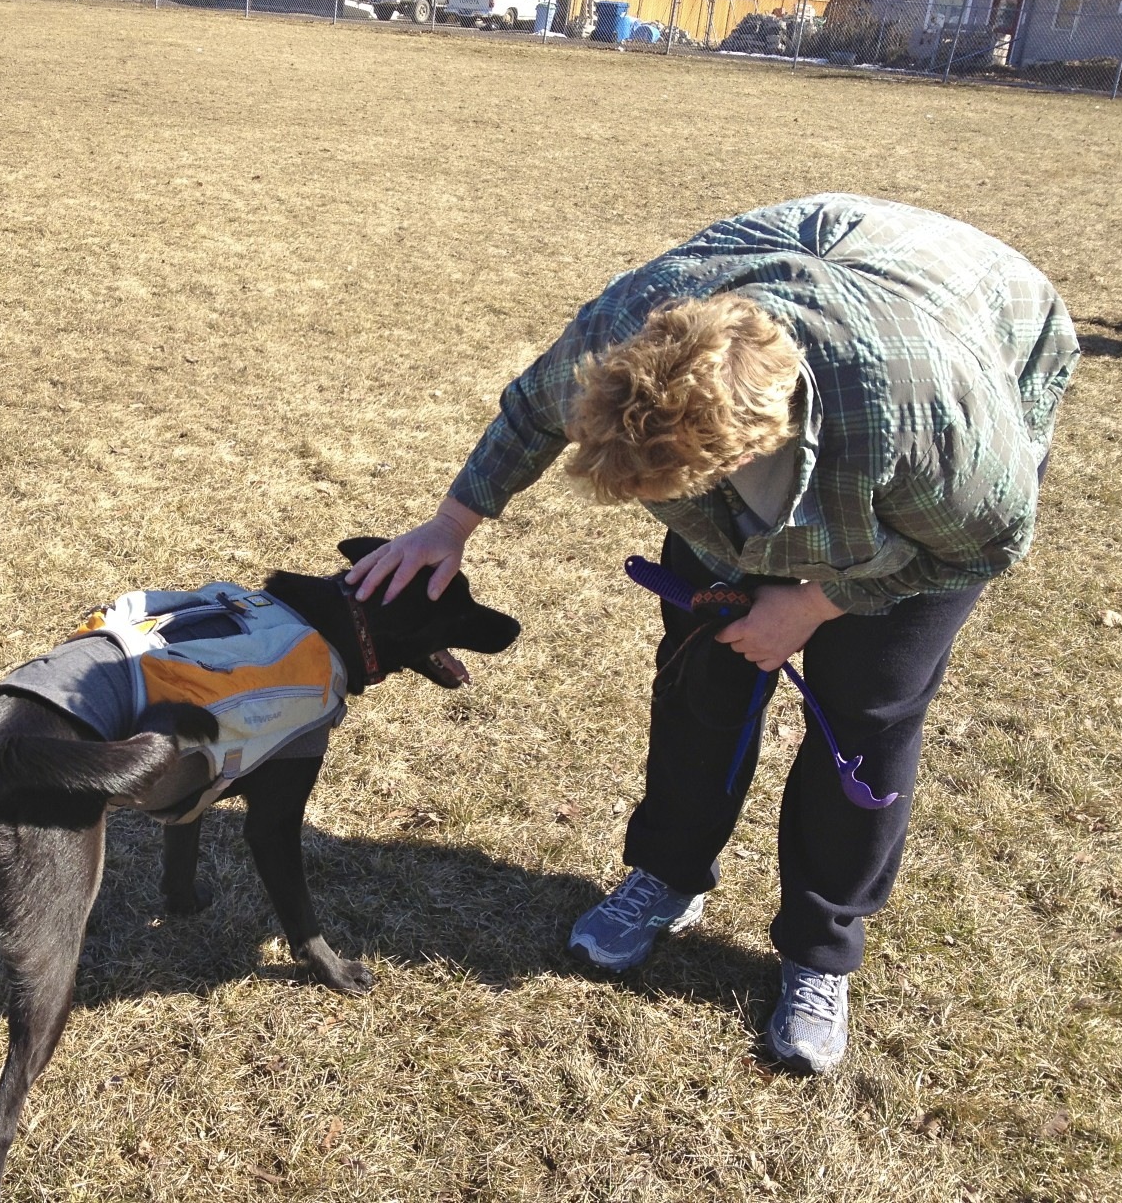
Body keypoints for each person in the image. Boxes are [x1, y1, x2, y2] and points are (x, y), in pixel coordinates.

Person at [346, 194, 1078, 1074]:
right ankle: (668, 874)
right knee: (703, 678)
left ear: (747, 452)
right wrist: (452, 522)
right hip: (799, 318)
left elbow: (988, 543)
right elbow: (533, 413)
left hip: (965, 347)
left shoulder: (926, 422)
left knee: (865, 713)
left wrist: (812, 604)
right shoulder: (624, 330)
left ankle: (819, 951)